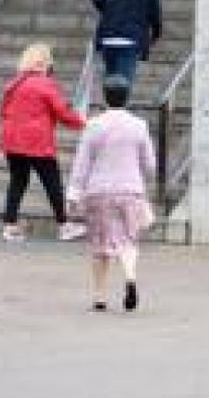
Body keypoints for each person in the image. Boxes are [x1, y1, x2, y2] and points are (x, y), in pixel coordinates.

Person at [66, 74, 156, 312]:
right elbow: (150, 164)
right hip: (130, 190)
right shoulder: (139, 125)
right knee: (129, 240)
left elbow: (82, 163)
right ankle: (130, 277)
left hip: (99, 191)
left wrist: (74, 193)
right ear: (127, 97)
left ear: (105, 96)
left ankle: (100, 296)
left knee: (100, 244)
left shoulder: (94, 125)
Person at [0, 43, 88, 242]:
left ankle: (9, 225)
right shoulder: (45, 83)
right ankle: (64, 225)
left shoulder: (14, 83)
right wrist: (83, 123)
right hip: (37, 141)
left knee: (18, 181)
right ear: (45, 63)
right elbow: (62, 111)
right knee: (52, 182)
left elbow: (3, 111)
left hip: (12, 139)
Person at [91, 0, 162, 90]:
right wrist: (155, 35)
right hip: (131, 40)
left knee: (110, 82)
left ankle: (110, 108)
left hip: (108, 39)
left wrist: (111, 13)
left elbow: (98, 0)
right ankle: (119, 109)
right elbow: (155, 15)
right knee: (124, 84)